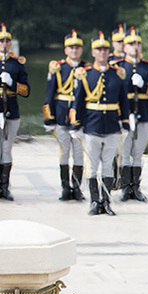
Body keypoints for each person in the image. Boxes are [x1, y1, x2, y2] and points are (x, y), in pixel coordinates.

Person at [70, 31, 128, 215]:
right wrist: (76, 125)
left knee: (109, 165)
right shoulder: (86, 75)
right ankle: (95, 201)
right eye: (98, 49)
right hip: (92, 126)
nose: (102, 52)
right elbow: (78, 101)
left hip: (111, 126)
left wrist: (125, 124)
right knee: (92, 166)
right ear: (93, 52)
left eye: (105, 49)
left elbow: (123, 101)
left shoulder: (117, 74)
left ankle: (107, 201)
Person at [43, 30, 86, 202]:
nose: (74, 50)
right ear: (66, 50)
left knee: (78, 153)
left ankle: (77, 188)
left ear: (81, 50)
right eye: (71, 47)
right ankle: (65, 188)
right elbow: (49, 95)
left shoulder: (86, 68)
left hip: (79, 119)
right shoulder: (58, 68)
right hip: (61, 115)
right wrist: (49, 118)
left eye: (77, 47)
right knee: (63, 152)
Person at [118, 28, 148, 202]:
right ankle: (125, 187)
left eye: (137, 44)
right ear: (124, 47)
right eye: (130, 44)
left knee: (138, 152)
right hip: (125, 113)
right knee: (125, 151)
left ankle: (136, 187)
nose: (135, 47)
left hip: (143, 111)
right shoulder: (119, 66)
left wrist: (144, 85)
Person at [0, 23, 29, 201]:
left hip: (11, 110)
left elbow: (26, 91)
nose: (4, 43)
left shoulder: (16, 65)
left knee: (6, 149)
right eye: (1, 41)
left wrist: (12, 83)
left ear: (10, 44)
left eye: (7, 41)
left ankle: (4, 187)